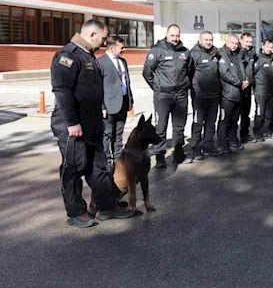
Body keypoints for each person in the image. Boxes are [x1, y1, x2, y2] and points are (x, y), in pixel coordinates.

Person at [51, 19, 132, 227]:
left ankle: (107, 207)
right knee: (73, 168)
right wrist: (72, 123)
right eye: (103, 38)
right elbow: (62, 91)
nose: (104, 43)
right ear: (93, 35)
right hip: (73, 125)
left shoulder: (88, 55)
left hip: (92, 123)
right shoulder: (68, 56)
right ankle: (76, 213)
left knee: (98, 167)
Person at [143, 24, 192, 168]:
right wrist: (157, 87)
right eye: (172, 35)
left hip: (181, 96)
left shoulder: (185, 52)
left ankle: (178, 154)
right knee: (161, 127)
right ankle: (160, 157)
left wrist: (185, 85)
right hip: (163, 96)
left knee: (179, 127)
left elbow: (189, 71)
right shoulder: (157, 51)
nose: (175, 38)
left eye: (177, 36)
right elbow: (147, 72)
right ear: (167, 35)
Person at [99, 35, 133, 170]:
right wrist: (101, 106)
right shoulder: (100, 62)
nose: (123, 50)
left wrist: (130, 100)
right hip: (108, 105)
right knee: (107, 134)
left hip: (123, 103)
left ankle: (118, 160)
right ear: (112, 48)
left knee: (119, 134)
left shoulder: (123, 62)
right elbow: (97, 86)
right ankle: (107, 161)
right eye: (121, 47)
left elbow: (126, 82)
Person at [188, 31, 222, 161]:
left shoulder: (216, 53)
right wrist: (194, 89)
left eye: (210, 40)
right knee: (198, 123)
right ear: (200, 40)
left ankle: (208, 145)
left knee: (211, 122)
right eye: (206, 40)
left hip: (214, 95)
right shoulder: (193, 54)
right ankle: (196, 148)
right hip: (199, 96)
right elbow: (188, 73)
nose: (209, 42)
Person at [217, 34, 249, 154]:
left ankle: (233, 140)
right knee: (225, 120)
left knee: (235, 119)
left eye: (236, 43)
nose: (234, 45)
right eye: (232, 43)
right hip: (227, 93)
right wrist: (240, 83)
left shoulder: (238, 54)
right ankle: (222, 143)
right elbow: (224, 73)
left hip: (238, 93)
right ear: (227, 42)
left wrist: (245, 80)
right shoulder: (222, 54)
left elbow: (242, 69)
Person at [252, 39, 273, 141]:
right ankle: (257, 134)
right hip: (261, 92)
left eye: (271, 47)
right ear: (263, 46)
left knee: (269, 114)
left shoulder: (272, 59)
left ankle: (266, 132)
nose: (269, 49)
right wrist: (255, 86)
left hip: (271, 91)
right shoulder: (258, 59)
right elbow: (252, 73)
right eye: (268, 47)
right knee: (260, 114)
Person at [238, 32, 256, 143]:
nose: (249, 44)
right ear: (241, 41)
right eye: (246, 42)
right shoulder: (236, 52)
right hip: (237, 87)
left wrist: (251, 82)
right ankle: (230, 137)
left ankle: (244, 134)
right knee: (234, 114)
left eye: (250, 42)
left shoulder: (253, 54)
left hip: (248, 87)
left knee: (246, 113)